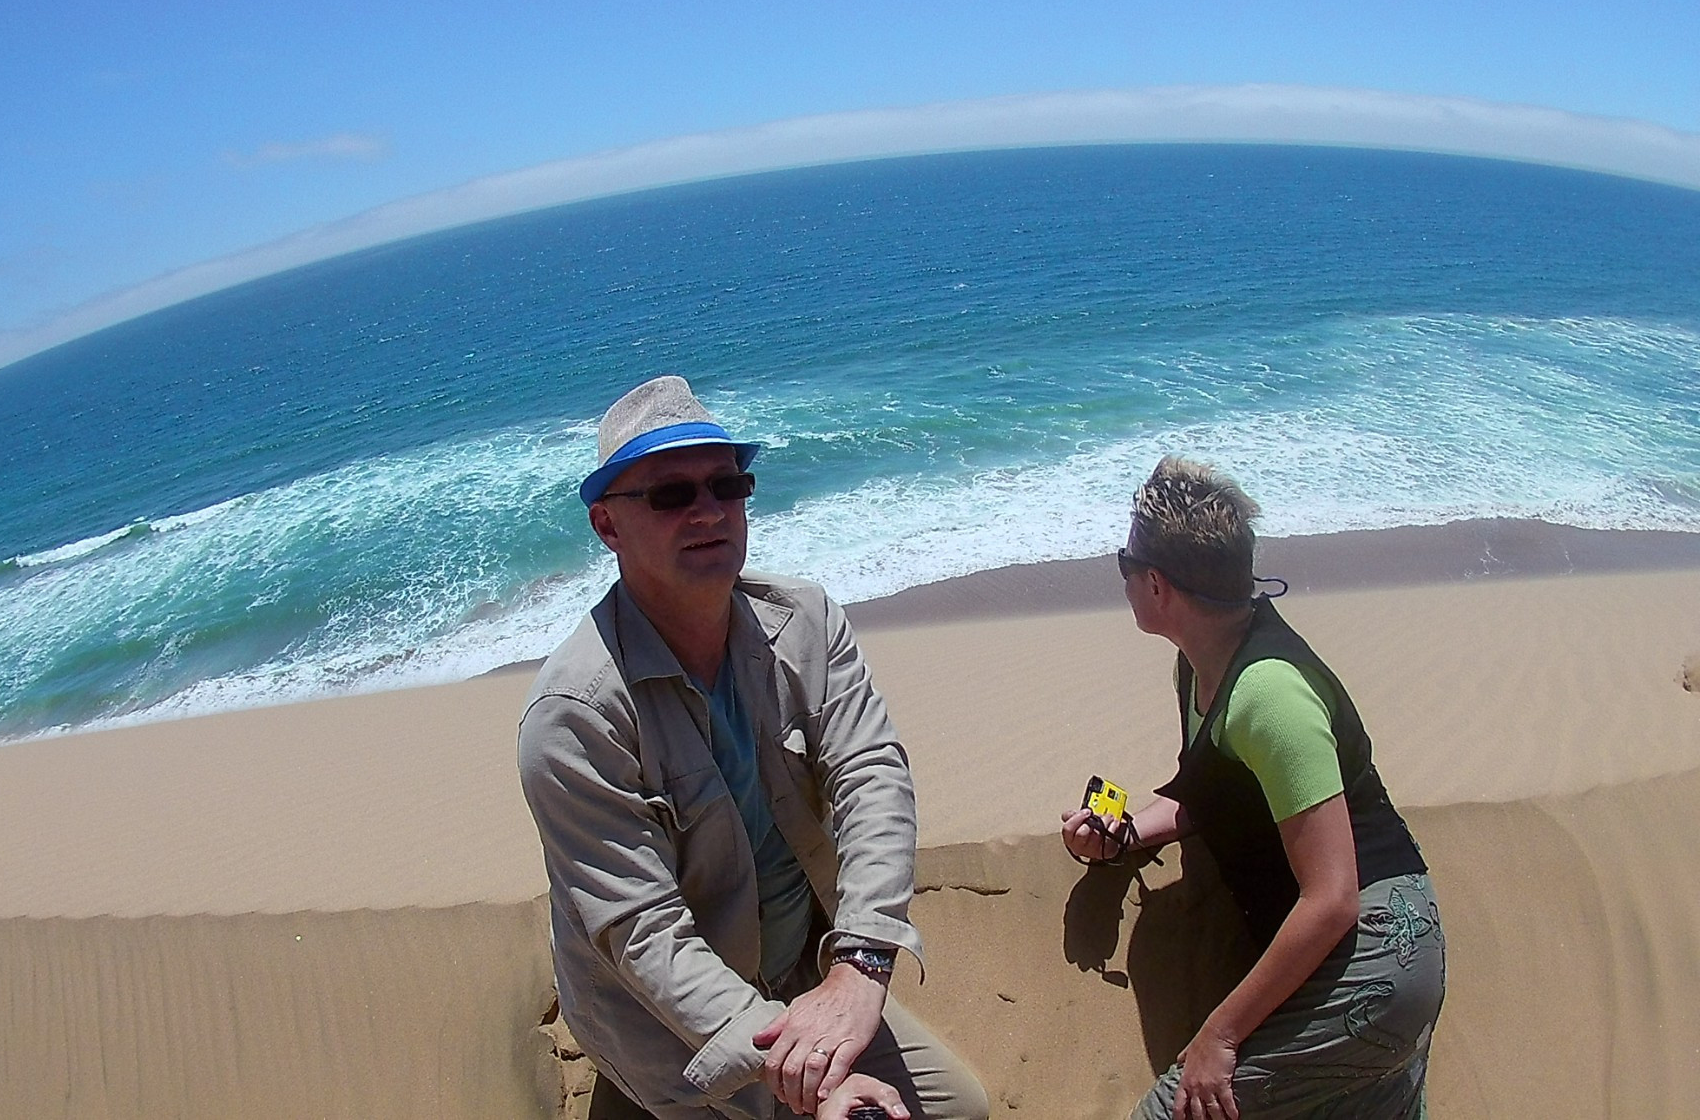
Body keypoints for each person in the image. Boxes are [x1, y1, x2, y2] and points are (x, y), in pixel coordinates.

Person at [519, 376, 989, 1120]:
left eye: (727, 483)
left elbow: (872, 776)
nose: (709, 509)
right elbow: (646, 934)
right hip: (672, 1024)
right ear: (607, 525)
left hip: (806, 974)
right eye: (671, 494)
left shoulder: (806, 619)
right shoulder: (574, 717)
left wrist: (861, 963)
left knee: (960, 1108)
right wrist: (810, 1074)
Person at [1062, 457, 1445, 1120]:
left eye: (1126, 562)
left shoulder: (1269, 695)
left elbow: (1333, 897)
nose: (1123, 576)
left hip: (1378, 950)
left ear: (1157, 585)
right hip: (1369, 951)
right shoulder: (1201, 666)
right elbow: (1206, 791)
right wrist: (1122, 832)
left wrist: (1221, 1033)